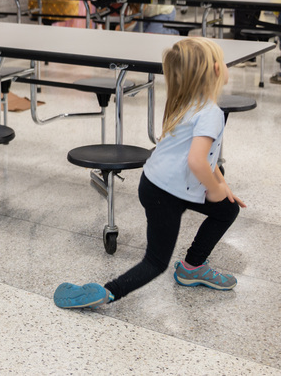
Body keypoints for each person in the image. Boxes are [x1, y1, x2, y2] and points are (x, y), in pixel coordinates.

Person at [53, 37, 246, 310]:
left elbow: (210, 159)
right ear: (216, 69)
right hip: (168, 194)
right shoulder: (211, 112)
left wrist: (223, 186)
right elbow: (197, 161)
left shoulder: (187, 100)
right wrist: (214, 190)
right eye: (224, 61)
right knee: (156, 262)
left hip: (157, 184)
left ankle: (192, 267)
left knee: (227, 209)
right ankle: (107, 292)